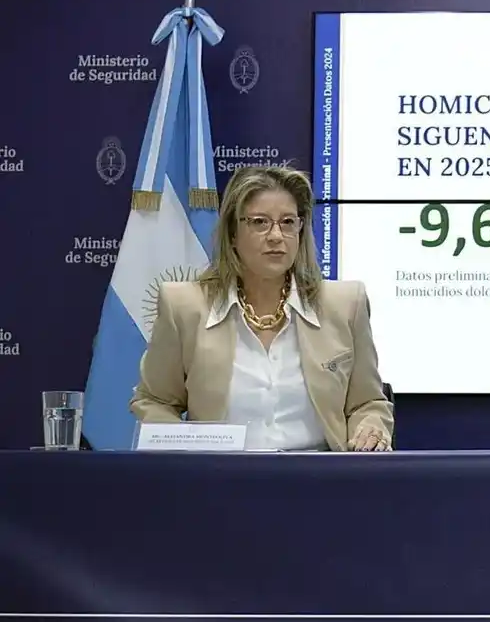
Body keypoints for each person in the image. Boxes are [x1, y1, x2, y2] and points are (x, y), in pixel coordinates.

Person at [129, 165, 394, 451]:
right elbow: (155, 402)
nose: (276, 236)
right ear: (233, 232)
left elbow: (368, 403)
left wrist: (370, 426)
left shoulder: (345, 304)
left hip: (320, 483)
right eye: (259, 222)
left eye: (288, 222)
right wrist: (186, 459)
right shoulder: (184, 306)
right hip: (221, 483)